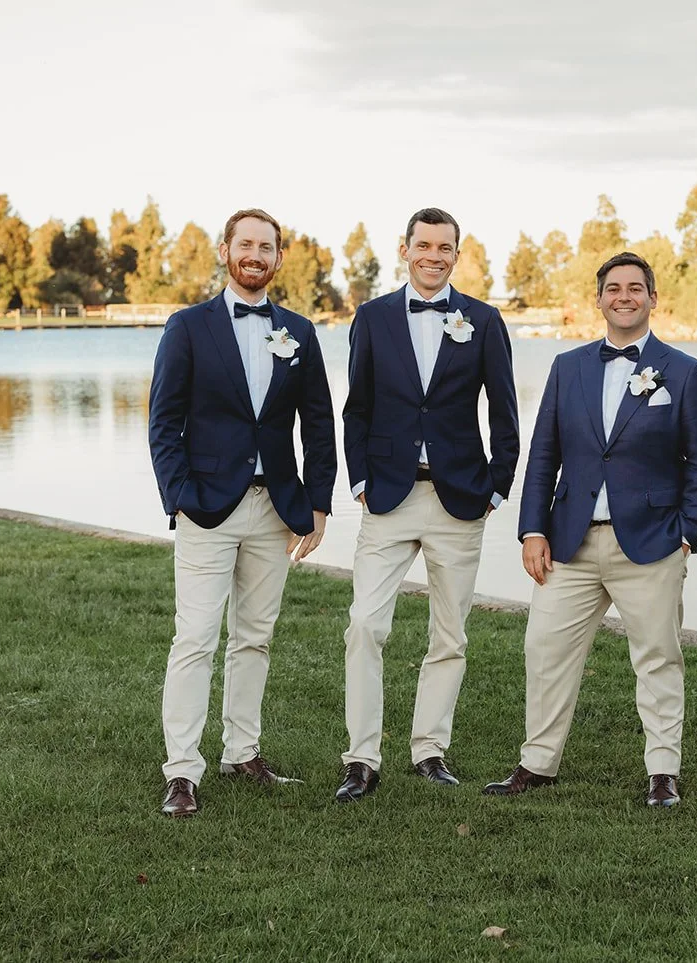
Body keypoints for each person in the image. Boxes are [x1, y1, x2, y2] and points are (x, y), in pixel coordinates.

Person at [484, 251, 697, 806]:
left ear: (653, 298)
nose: (623, 296)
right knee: (543, 649)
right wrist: (532, 530)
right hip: (570, 542)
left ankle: (663, 773)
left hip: (651, 543)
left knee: (658, 656)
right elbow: (544, 453)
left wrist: (689, 532)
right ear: (598, 299)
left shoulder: (685, 372)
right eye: (612, 288)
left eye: (635, 288)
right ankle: (537, 764)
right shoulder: (568, 368)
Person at [147, 207, 336, 818]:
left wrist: (317, 502)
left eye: (267, 246)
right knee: (195, 639)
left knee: (254, 638)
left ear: (280, 258)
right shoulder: (187, 327)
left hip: (276, 508)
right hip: (208, 508)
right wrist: (180, 497)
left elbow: (320, 424)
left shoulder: (300, 333)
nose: (255, 255)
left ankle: (242, 751)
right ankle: (181, 772)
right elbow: (163, 422)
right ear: (225, 252)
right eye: (245, 244)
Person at [337, 207, 519, 801]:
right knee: (365, 624)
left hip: (459, 498)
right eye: (424, 246)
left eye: (445, 248)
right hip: (387, 496)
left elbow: (505, 414)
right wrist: (359, 480)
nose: (434, 256)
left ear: (457, 255)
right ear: (405, 248)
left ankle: (429, 750)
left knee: (451, 634)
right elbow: (357, 407)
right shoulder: (372, 318)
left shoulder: (484, 321)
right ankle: (361, 758)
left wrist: (495, 487)